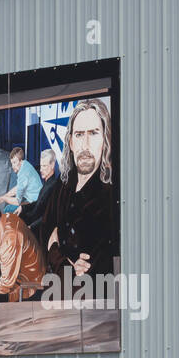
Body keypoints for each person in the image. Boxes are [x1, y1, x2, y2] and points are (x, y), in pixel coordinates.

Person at [42, 97, 117, 283]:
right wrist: (65, 263)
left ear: (105, 139)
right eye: (79, 134)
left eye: (93, 133)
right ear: (71, 143)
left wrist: (55, 251)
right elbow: (45, 231)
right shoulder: (63, 183)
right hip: (54, 297)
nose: (85, 145)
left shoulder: (110, 195)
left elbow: (87, 278)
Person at [0, 200, 46, 302]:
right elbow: (0, 250)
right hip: (32, 270)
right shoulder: (7, 218)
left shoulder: (10, 238)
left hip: (30, 284)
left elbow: (6, 285)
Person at [0, 147, 42, 215]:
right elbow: (19, 187)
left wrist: (4, 198)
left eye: (15, 162)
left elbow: (17, 201)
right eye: (12, 163)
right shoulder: (25, 164)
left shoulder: (23, 175)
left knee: (7, 209)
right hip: (37, 196)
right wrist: (5, 195)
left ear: (20, 161)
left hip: (34, 203)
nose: (13, 166)